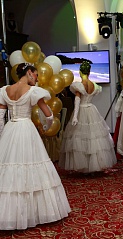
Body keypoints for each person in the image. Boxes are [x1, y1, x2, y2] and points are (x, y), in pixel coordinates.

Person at [0, 63, 71, 230]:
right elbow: (48, 114)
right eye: (36, 74)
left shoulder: (5, 90)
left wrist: (3, 136)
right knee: (32, 167)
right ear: (29, 73)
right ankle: (33, 212)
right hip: (26, 129)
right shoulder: (33, 91)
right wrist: (46, 128)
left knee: (9, 170)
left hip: (11, 128)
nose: (37, 77)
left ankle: (10, 214)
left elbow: (0, 116)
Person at [59, 61, 117, 173]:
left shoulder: (80, 85)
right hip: (91, 109)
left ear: (80, 72)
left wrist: (75, 116)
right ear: (89, 72)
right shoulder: (94, 85)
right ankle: (94, 166)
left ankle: (85, 166)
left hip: (82, 110)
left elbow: (77, 100)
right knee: (93, 138)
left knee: (80, 138)